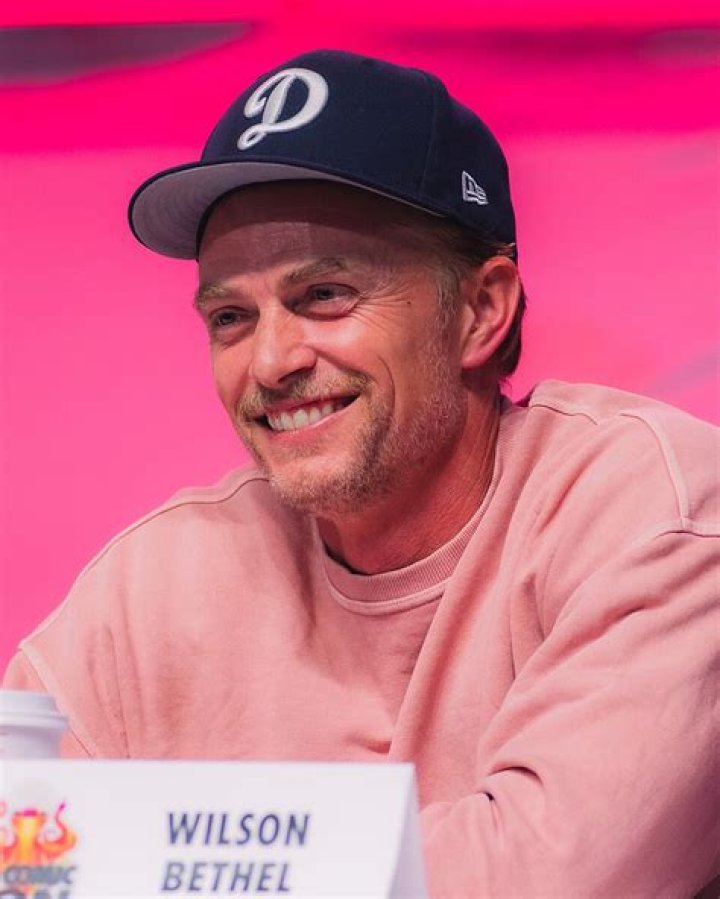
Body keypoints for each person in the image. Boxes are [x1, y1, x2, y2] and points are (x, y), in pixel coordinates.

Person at [4, 49, 718, 897]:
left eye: (325, 295)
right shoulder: (155, 585)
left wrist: (153, 854)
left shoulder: (651, 513)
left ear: (481, 310)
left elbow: (544, 876)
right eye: (230, 316)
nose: (270, 361)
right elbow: (18, 848)